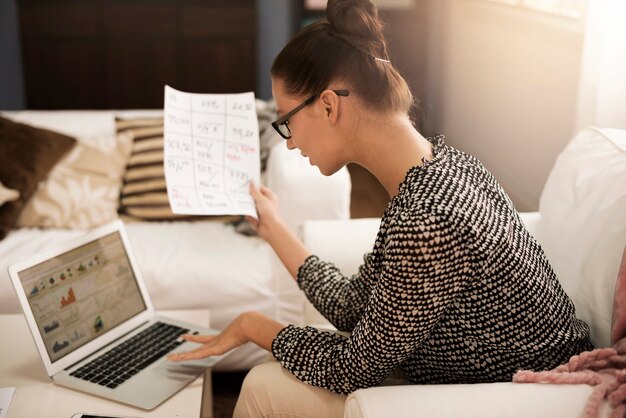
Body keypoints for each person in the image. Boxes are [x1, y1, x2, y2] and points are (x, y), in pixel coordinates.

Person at [168, 0, 593, 416]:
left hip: (520, 396)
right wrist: (274, 228)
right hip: (467, 371)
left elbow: (352, 368)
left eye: (286, 122)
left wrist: (251, 326)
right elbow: (356, 307)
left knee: (264, 382)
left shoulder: (428, 219)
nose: (290, 142)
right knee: (273, 370)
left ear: (329, 106)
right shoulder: (444, 168)